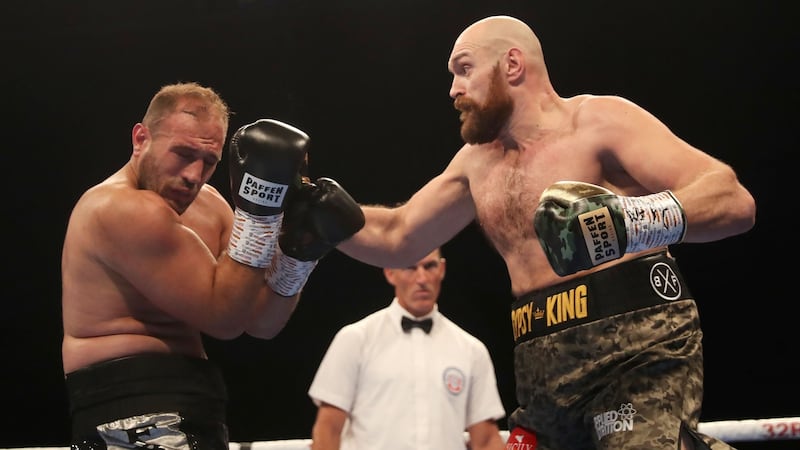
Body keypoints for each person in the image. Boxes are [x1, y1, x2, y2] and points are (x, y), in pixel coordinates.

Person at [336, 15, 756, 450]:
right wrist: (317, 211)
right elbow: (397, 234)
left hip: (634, 352)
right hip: (541, 372)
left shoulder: (598, 121)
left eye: (464, 69)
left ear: (513, 64)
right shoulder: (475, 163)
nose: (454, 90)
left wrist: (629, 222)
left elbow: (732, 199)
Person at [60, 82, 364, 449]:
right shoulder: (119, 208)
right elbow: (224, 320)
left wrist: (299, 254)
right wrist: (260, 215)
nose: (194, 174)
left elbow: (261, 323)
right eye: (183, 153)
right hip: (128, 409)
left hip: (195, 400)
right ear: (141, 139)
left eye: (209, 161)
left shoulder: (210, 204)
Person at [308, 248, 507, 450]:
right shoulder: (355, 340)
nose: (422, 278)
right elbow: (328, 429)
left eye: (430, 266)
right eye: (410, 267)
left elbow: (486, 440)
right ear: (390, 272)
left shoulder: (471, 350)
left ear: (442, 269)